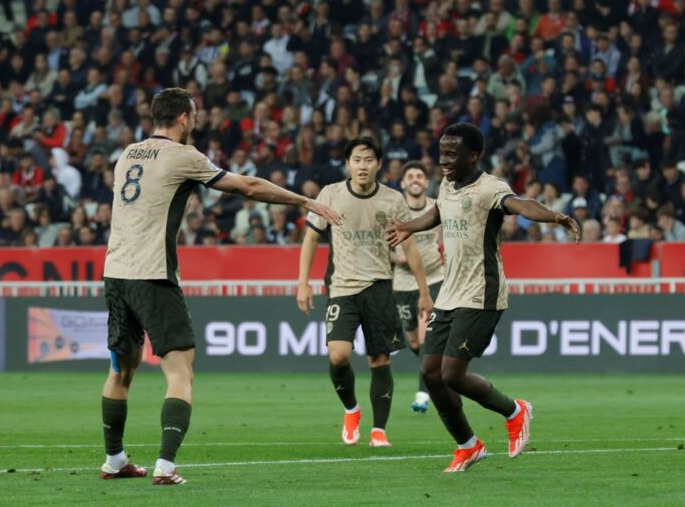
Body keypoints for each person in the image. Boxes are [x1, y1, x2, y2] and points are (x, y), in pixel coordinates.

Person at [98, 88, 341, 486]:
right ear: (182, 119)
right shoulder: (183, 155)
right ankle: (166, 465)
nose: (196, 121)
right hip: (153, 274)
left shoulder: (128, 154)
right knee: (180, 370)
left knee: (121, 369)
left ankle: (114, 459)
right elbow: (247, 187)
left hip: (116, 273)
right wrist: (303, 201)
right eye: (194, 115)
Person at [386, 123, 580, 473]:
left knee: (452, 374)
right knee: (430, 373)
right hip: (450, 292)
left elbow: (520, 205)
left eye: (451, 153)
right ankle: (468, 445)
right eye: (441, 152)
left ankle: (515, 411)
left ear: (473, 156)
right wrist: (410, 226)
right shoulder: (447, 183)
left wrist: (554, 216)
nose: (443, 160)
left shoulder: (491, 188)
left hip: (482, 294)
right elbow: (439, 212)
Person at [297, 137, 434, 449]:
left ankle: (379, 430)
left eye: (369, 160)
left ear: (379, 165)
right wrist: (302, 282)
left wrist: (424, 291)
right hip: (342, 287)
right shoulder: (330, 194)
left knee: (379, 358)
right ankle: (351, 409)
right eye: (357, 159)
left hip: (380, 287)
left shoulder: (392, 200)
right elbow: (310, 238)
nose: (362, 165)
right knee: (339, 354)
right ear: (348, 164)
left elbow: (410, 246)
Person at [392, 161, 444, 414]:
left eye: (420, 175)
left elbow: (446, 238)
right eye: (410, 176)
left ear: (425, 182)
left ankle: (423, 394)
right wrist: (395, 258)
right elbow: (380, 247)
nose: (415, 179)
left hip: (434, 278)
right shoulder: (393, 211)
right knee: (413, 342)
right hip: (402, 282)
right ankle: (437, 370)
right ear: (403, 183)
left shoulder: (438, 207)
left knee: (426, 336)